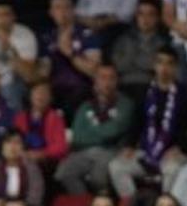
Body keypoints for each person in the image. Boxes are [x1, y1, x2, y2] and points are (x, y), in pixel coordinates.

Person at [108, 47, 187, 206]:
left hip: (172, 154)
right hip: (145, 152)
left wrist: (182, 148)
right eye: (160, 63)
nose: (164, 68)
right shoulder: (144, 92)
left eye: (169, 64)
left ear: (176, 67)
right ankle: (133, 204)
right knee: (116, 167)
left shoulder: (186, 94)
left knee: (171, 170)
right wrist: (129, 145)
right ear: (154, 65)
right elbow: (135, 124)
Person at [56, 64, 135, 196]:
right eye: (103, 78)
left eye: (111, 78)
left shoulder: (125, 104)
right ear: (95, 82)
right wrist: (100, 133)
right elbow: (78, 137)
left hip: (112, 150)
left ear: (117, 82)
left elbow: (113, 131)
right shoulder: (85, 106)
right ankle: (84, 204)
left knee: (98, 176)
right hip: (84, 151)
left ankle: (104, 205)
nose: (107, 82)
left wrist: (92, 131)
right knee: (64, 173)